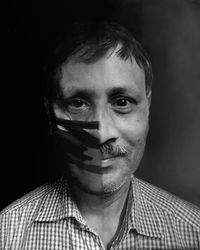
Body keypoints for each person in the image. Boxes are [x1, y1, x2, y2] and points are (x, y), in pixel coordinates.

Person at [0, 21, 200, 250]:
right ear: (49, 114)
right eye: (77, 104)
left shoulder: (194, 233)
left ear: (148, 108)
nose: (101, 134)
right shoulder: (7, 235)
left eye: (122, 102)